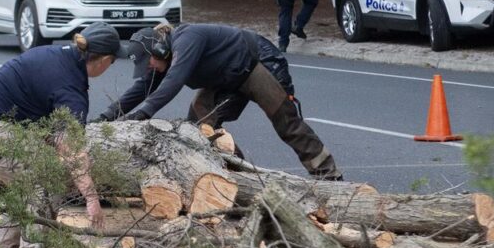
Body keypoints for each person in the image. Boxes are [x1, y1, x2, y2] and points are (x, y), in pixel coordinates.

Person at [0, 22, 125, 248]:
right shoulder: (71, 90)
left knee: (26, 184)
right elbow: (72, 151)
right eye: (113, 61)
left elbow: (34, 114)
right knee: (47, 180)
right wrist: (92, 199)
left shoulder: (50, 54)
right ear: (104, 60)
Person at [95, 23, 342, 181]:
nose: (149, 70)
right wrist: (107, 116)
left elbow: (174, 81)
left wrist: (143, 114)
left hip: (255, 64)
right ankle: (240, 177)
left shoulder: (186, 39)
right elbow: (142, 88)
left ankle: (329, 176)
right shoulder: (163, 58)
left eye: (148, 63)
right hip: (226, 79)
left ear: (159, 50)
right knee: (197, 128)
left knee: (286, 122)